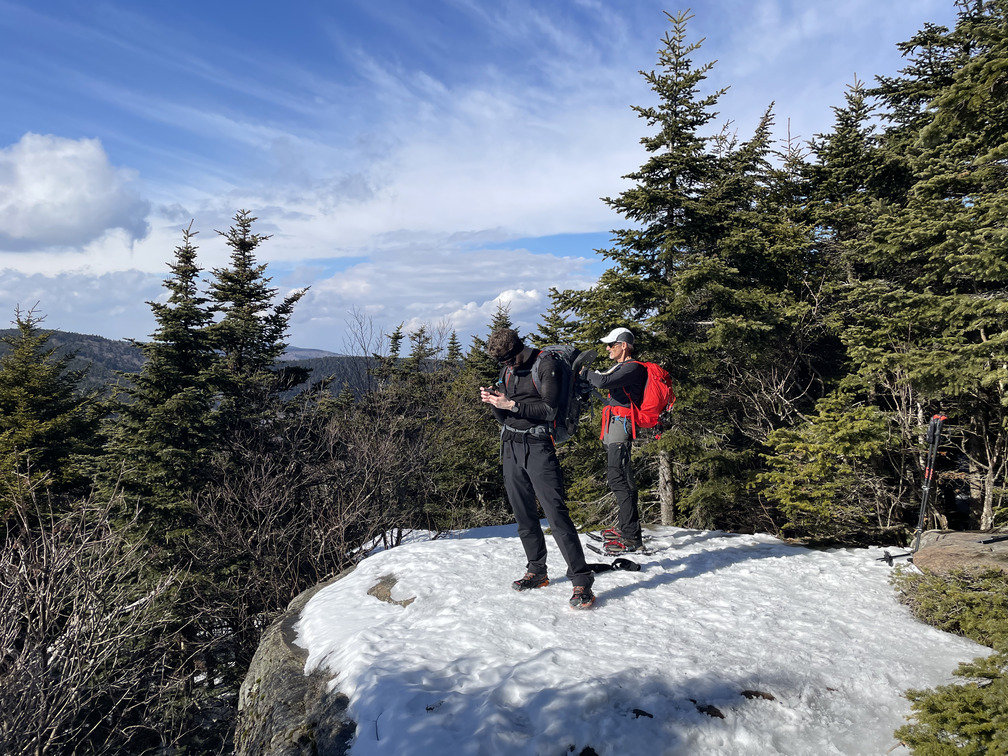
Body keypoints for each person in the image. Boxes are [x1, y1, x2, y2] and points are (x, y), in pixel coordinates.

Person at [480, 328, 596, 609]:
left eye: (509, 359)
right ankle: (537, 570)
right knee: (523, 514)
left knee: (556, 514)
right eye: (502, 363)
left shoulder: (546, 364)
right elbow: (503, 416)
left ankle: (581, 580)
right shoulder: (508, 371)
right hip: (510, 444)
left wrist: (512, 404)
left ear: (519, 348)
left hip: (538, 446)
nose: (507, 366)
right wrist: (495, 402)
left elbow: (549, 410)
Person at [583, 327, 648, 554]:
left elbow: (602, 381)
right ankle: (627, 530)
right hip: (615, 425)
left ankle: (630, 537)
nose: (607, 348)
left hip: (622, 426)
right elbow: (605, 382)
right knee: (622, 477)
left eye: (612, 344)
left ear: (624, 345)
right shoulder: (623, 367)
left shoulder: (633, 368)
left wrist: (583, 371)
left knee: (617, 477)